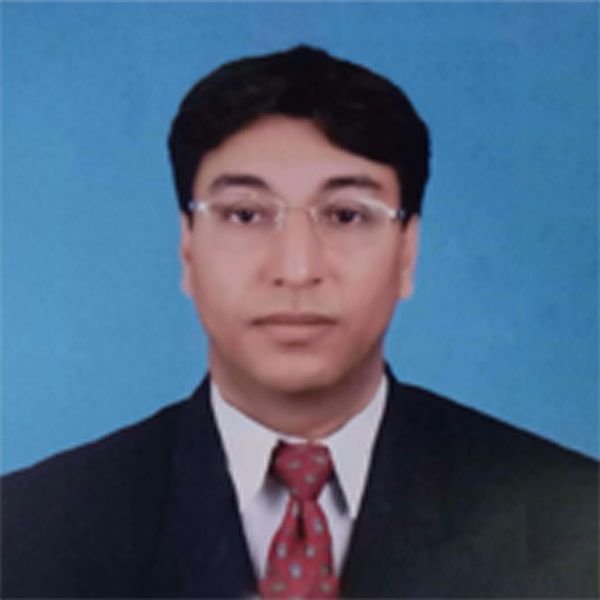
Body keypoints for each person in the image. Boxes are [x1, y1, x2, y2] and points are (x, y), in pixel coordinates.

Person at [2, 45, 597, 599]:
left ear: (407, 253)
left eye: (345, 215)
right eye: (244, 214)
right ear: (187, 248)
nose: (296, 269)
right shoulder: (28, 532)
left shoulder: (575, 527)